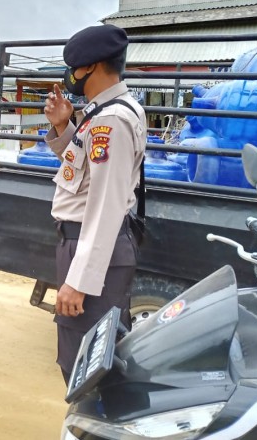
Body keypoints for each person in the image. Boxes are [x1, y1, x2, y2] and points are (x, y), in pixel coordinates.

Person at [44, 24, 146, 383]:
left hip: (90, 246)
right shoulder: (103, 113)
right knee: (87, 356)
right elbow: (83, 173)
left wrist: (80, 280)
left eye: (74, 66)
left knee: (85, 364)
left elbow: (106, 204)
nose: (71, 75)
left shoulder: (112, 119)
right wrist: (63, 127)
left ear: (92, 66)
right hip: (84, 244)